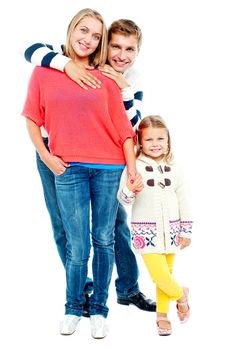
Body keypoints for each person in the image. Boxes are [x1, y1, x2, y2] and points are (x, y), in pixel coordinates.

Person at [22, 19, 156, 312]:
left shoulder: (130, 77)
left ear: (138, 51)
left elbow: (129, 127)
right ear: (104, 45)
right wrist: (66, 64)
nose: (121, 55)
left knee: (113, 225)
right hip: (52, 150)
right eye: (115, 46)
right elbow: (31, 51)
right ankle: (81, 289)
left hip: (104, 159)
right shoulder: (71, 61)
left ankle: (128, 288)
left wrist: (124, 89)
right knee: (63, 223)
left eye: (129, 49)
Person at [117, 115, 193, 336]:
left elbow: (185, 200)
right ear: (140, 142)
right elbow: (123, 199)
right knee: (160, 276)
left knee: (167, 273)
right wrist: (131, 189)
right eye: (149, 140)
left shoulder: (175, 168)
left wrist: (186, 230)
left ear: (168, 141)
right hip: (146, 232)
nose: (156, 144)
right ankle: (181, 295)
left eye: (160, 138)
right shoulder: (134, 167)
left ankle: (162, 315)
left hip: (172, 231)